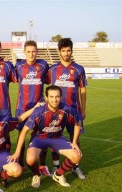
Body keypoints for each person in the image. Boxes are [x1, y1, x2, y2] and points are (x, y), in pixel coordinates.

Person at [10, 85, 82, 188]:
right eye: (51, 97)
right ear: (47, 98)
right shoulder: (39, 111)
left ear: (61, 97)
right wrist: (17, 152)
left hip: (57, 138)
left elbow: (77, 123)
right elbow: (24, 131)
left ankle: (58, 175)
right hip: (39, 138)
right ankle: (37, 174)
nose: (54, 100)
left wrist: (74, 142)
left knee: (76, 156)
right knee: (30, 159)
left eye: (57, 96)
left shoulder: (67, 109)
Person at [47, 38, 87, 179]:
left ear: (71, 51)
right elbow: (42, 84)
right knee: (55, 137)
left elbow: (82, 89)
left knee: (75, 137)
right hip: (56, 111)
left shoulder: (78, 69)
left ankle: (75, 167)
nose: (66, 53)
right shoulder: (52, 69)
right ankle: (56, 166)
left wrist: (83, 109)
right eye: (63, 51)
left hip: (74, 110)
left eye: (68, 50)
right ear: (59, 52)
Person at [14, 40, 50, 175]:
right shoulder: (18, 66)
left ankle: (42, 165)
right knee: (21, 134)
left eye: (34, 51)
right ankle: (20, 162)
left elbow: (49, 80)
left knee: (41, 134)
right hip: (22, 106)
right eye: (28, 51)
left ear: (37, 52)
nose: (31, 54)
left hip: (39, 106)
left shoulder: (43, 65)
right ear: (24, 52)